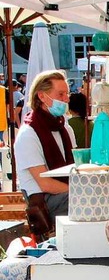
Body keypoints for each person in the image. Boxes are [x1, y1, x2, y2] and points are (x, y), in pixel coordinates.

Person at [14, 70, 76, 227]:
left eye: (67, 94)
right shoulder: (29, 134)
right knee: (93, 198)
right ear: (41, 96)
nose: (66, 99)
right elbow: (45, 184)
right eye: (61, 94)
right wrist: (80, 191)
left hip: (65, 192)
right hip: (44, 200)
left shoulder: (65, 128)